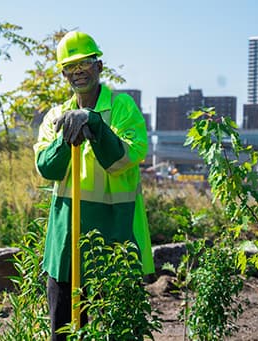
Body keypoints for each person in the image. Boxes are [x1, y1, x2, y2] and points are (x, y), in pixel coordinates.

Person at [33, 31, 155, 340]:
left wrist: (95, 124)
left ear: (98, 65)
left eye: (84, 63)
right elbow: (47, 167)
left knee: (119, 331)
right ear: (63, 73)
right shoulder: (55, 117)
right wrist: (65, 137)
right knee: (63, 333)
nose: (78, 72)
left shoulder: (122, 108)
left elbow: (124, 159)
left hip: (115, 240)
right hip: (66, 246)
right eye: (70, 67)